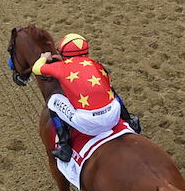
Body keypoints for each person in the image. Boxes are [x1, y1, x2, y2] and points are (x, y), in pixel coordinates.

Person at [31, 33, 140, 161]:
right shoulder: (97, 65)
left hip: (88, 123)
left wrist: (44, 57)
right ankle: (128, 119)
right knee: (109, 89)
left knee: (54, 100)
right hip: (113, 117)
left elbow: (36, 68)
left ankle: (64, 146)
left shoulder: (60, 67)